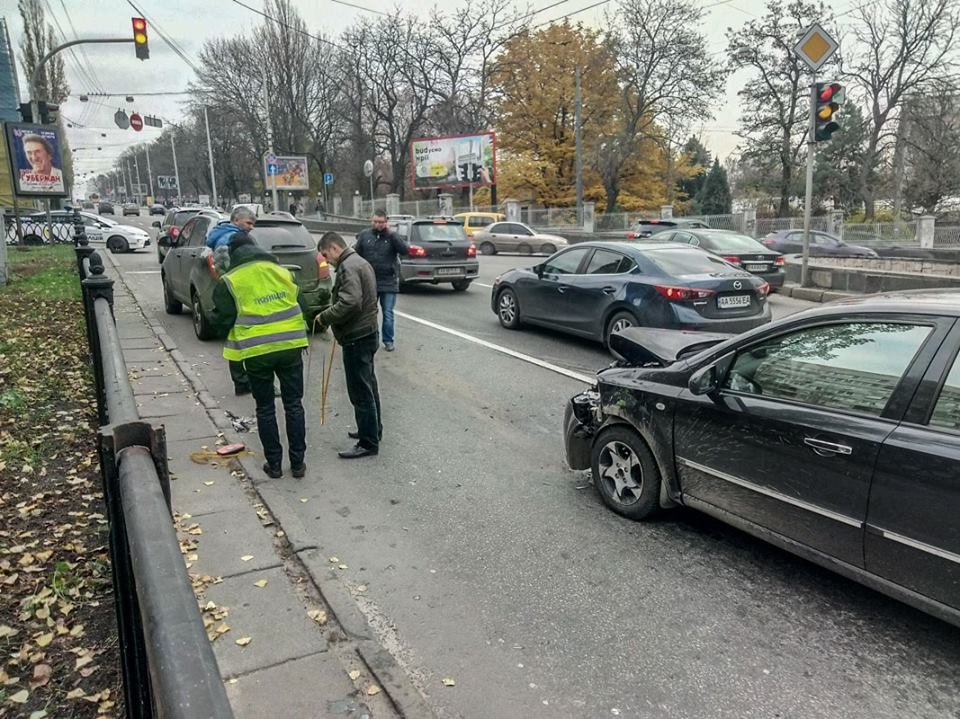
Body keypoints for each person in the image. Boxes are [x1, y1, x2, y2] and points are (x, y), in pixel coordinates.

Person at [211, 232, 309, 479]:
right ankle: (298, 464)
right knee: (294, 404)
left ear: (232, 254)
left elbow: (223, 319)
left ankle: (274, 465)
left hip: (257, 352)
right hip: (290, 346)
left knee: (265, 408)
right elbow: (304, 306)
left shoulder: (230, 280)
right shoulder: (281, 272)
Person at [316, 232, 382, 459]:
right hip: (369, 332)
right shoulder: (360, 261)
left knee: (360, 391)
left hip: (357, 336)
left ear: (334, 248)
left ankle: (368, 442)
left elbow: (350, 302)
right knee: (369, 384)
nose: (327, 261)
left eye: (326, 255)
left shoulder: (347, 267)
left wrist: (325, 317)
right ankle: (373, 430)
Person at [205, 206, 258, 395]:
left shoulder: (223, 235)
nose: (251, 227)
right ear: (236, 220)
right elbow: (234, 268)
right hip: (239, 295)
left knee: (235, 340)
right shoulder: (232, 238)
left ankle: (242, 382)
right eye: (248, 223)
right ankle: (246, 381)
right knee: (247, 338)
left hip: (230, 295)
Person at [353, 209, 408, 352]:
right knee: (369, 313)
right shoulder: (365, 236)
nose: (378, 225)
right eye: (376, 221)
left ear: (386, 222)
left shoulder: (392, 236)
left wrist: (393, 235)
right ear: (372, 221)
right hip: (369, 282)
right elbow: (356, 255)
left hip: (388, 281)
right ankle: (370, 339)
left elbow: (404, 250)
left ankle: (388, 340)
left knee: (388, 313)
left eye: (381, 222)